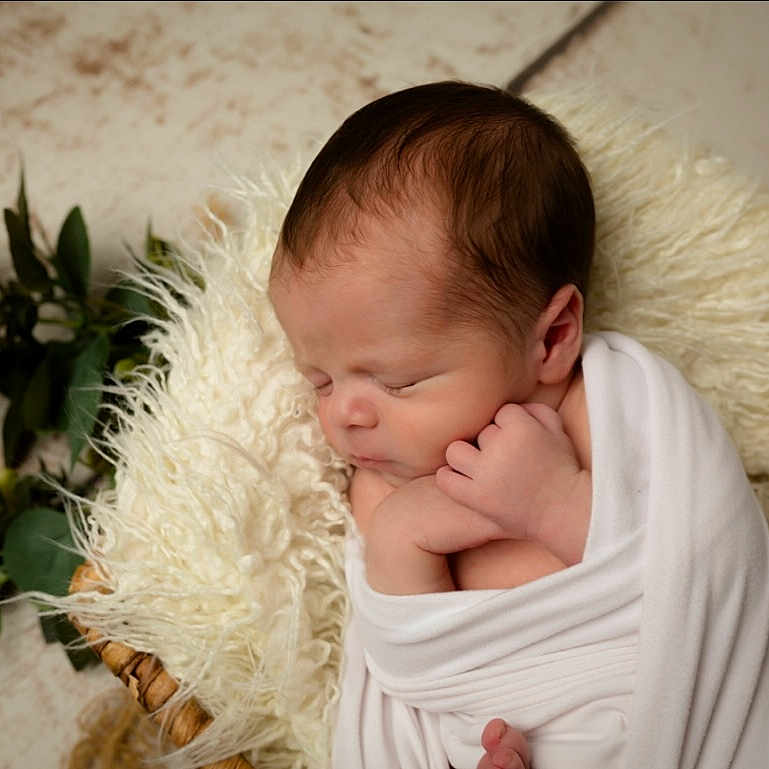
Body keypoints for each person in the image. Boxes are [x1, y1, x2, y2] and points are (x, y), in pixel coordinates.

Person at [269, 82, 769, 769]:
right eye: (319, 379)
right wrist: (403, 533)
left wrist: (556, 503)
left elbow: (698, 562)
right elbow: (409, 660)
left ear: (552, 337)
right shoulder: (383, 488)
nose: (344, 414)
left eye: (398, 380)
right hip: (492, 735)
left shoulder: (610, 403)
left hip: (661, 713)